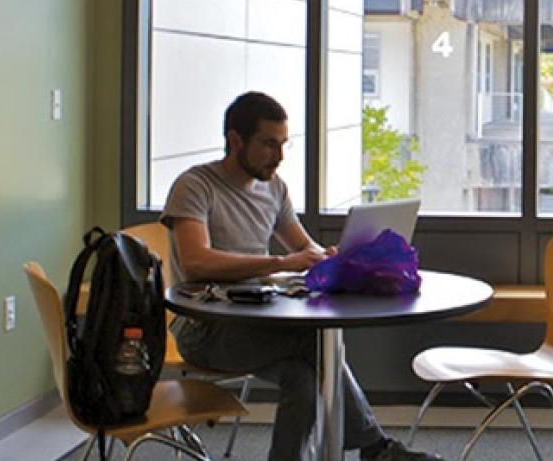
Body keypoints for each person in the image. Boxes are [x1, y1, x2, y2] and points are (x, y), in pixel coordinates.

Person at [161, 91, 441, 461]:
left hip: (256, 321)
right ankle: (375, 449)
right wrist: (279, 263)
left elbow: (303, 248)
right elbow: (197, 262)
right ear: (235, 140)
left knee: (304, 379)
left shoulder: (274, 188)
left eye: (283, 145)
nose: (278, 156)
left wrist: (330, 257)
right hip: (205, 326)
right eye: (268, 144)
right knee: (315, 343)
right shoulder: (196, 186)